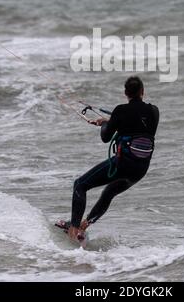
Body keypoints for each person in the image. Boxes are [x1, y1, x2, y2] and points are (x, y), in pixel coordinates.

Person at [67, 76, 159, 241]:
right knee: (109, 192)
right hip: (140, 169)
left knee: (80, 185)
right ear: (142, 92)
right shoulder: (154, 111)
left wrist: (105, 125)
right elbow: (138, 125)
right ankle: (83, 226)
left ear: (126, 93)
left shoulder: (120, 110)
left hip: (123, 164)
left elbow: (106, 137)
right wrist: (112, 121)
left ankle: (73, 231)